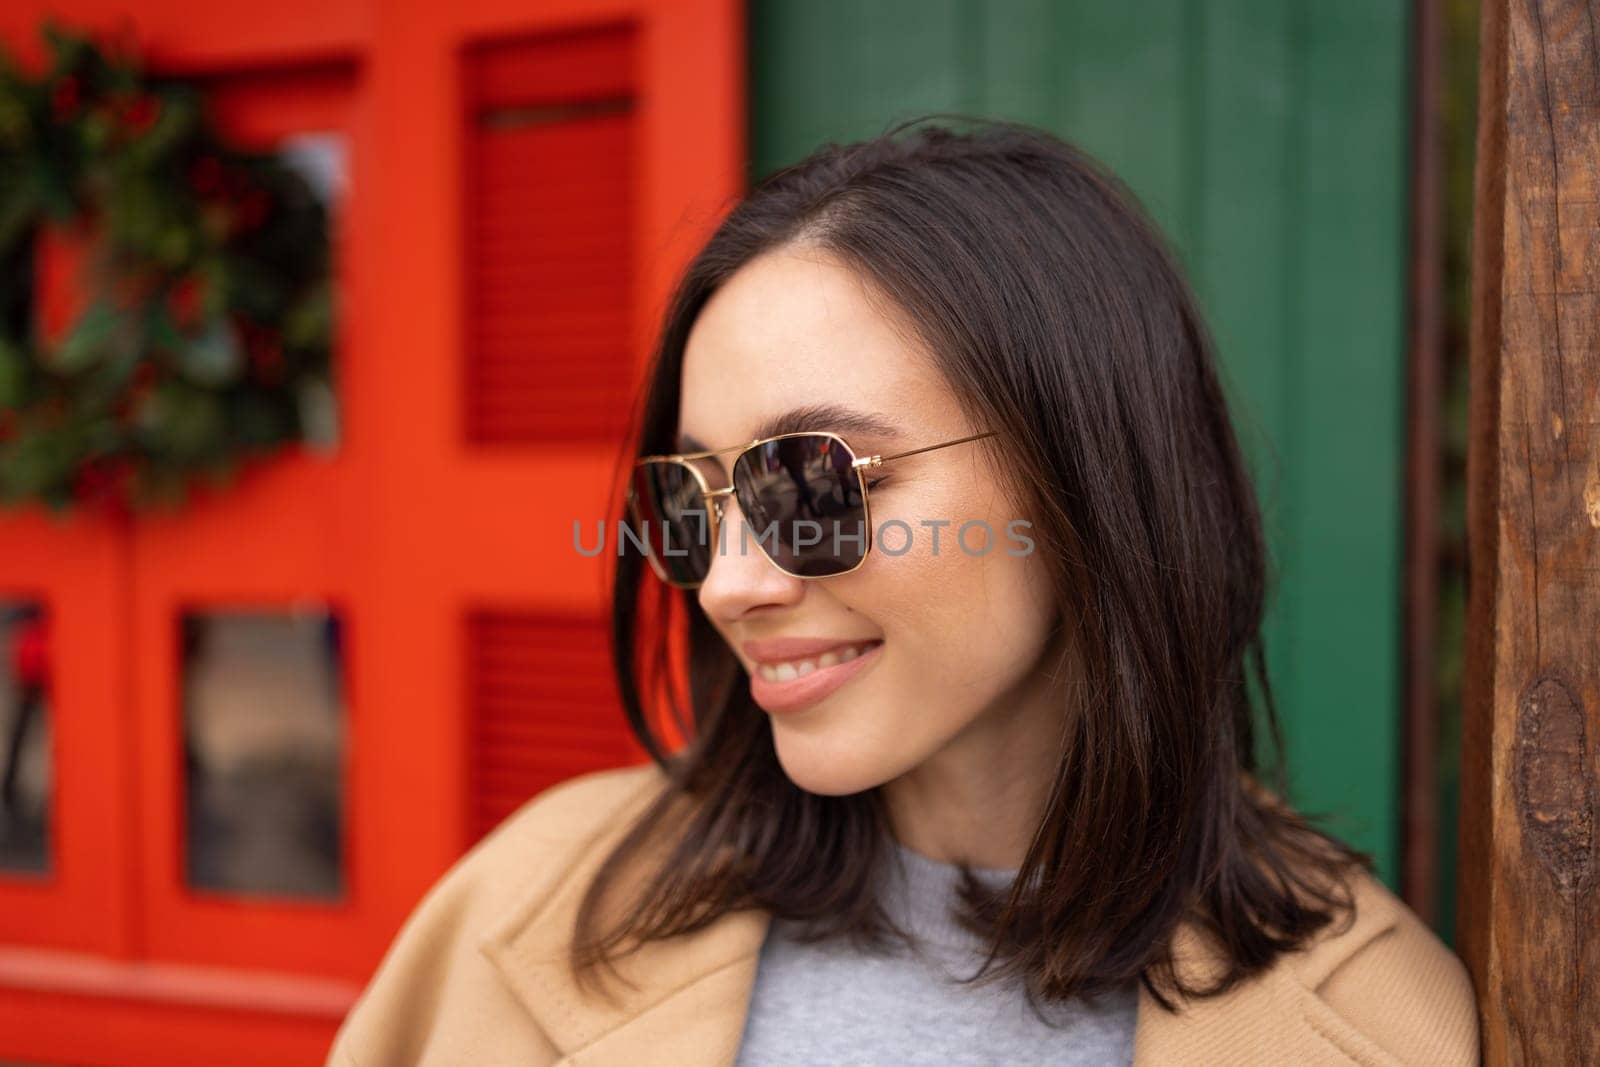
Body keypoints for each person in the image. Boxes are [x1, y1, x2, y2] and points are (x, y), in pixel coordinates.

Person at [326, 116, 1479, 1065]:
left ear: (1081, 471)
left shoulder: (1382, 1026)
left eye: (812, 479)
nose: (729, 582)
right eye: (692, 498)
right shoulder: (524, 901)